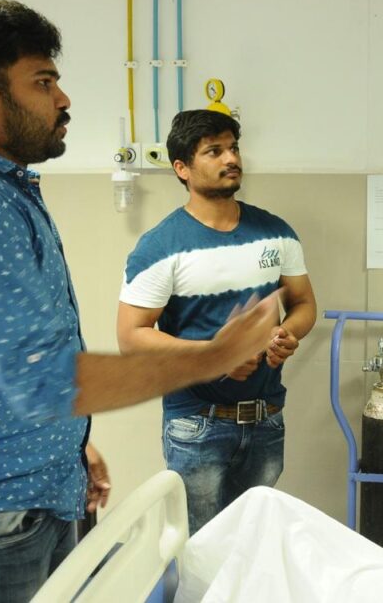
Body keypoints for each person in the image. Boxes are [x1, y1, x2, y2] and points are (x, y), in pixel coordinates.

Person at [0, 0, 280, 603]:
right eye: (43, 82)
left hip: (25, 493)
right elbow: (46, 380)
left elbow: (7, 357)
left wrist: (68, 447)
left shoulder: (2, 190)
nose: (63, 99)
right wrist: (215, 356)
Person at [117, 109, 317, 534]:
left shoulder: (276, 232)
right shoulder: (159, 246)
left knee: (252, 542)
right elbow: (131, 337)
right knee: (200, 548)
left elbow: (303, 304)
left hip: (266, 419)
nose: (231, 158)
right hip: (197, 424)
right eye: (214, 151)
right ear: (182, 168)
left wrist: (288, 333)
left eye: (234, 148)